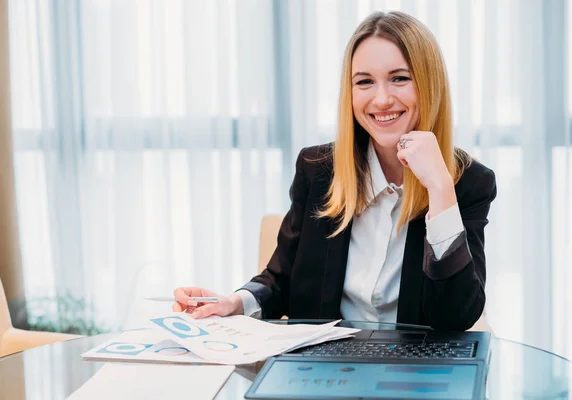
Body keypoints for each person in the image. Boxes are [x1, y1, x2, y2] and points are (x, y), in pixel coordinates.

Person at [173, 11, 496, 331]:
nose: (381, 99)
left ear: (429, 84)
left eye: (399, 78)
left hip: (414, 372)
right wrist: (233, 303)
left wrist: (440, 189)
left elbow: (455, 316)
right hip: (328, 366)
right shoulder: (317, 170)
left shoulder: (469, 182)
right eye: (364, 82)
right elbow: (282, 278)